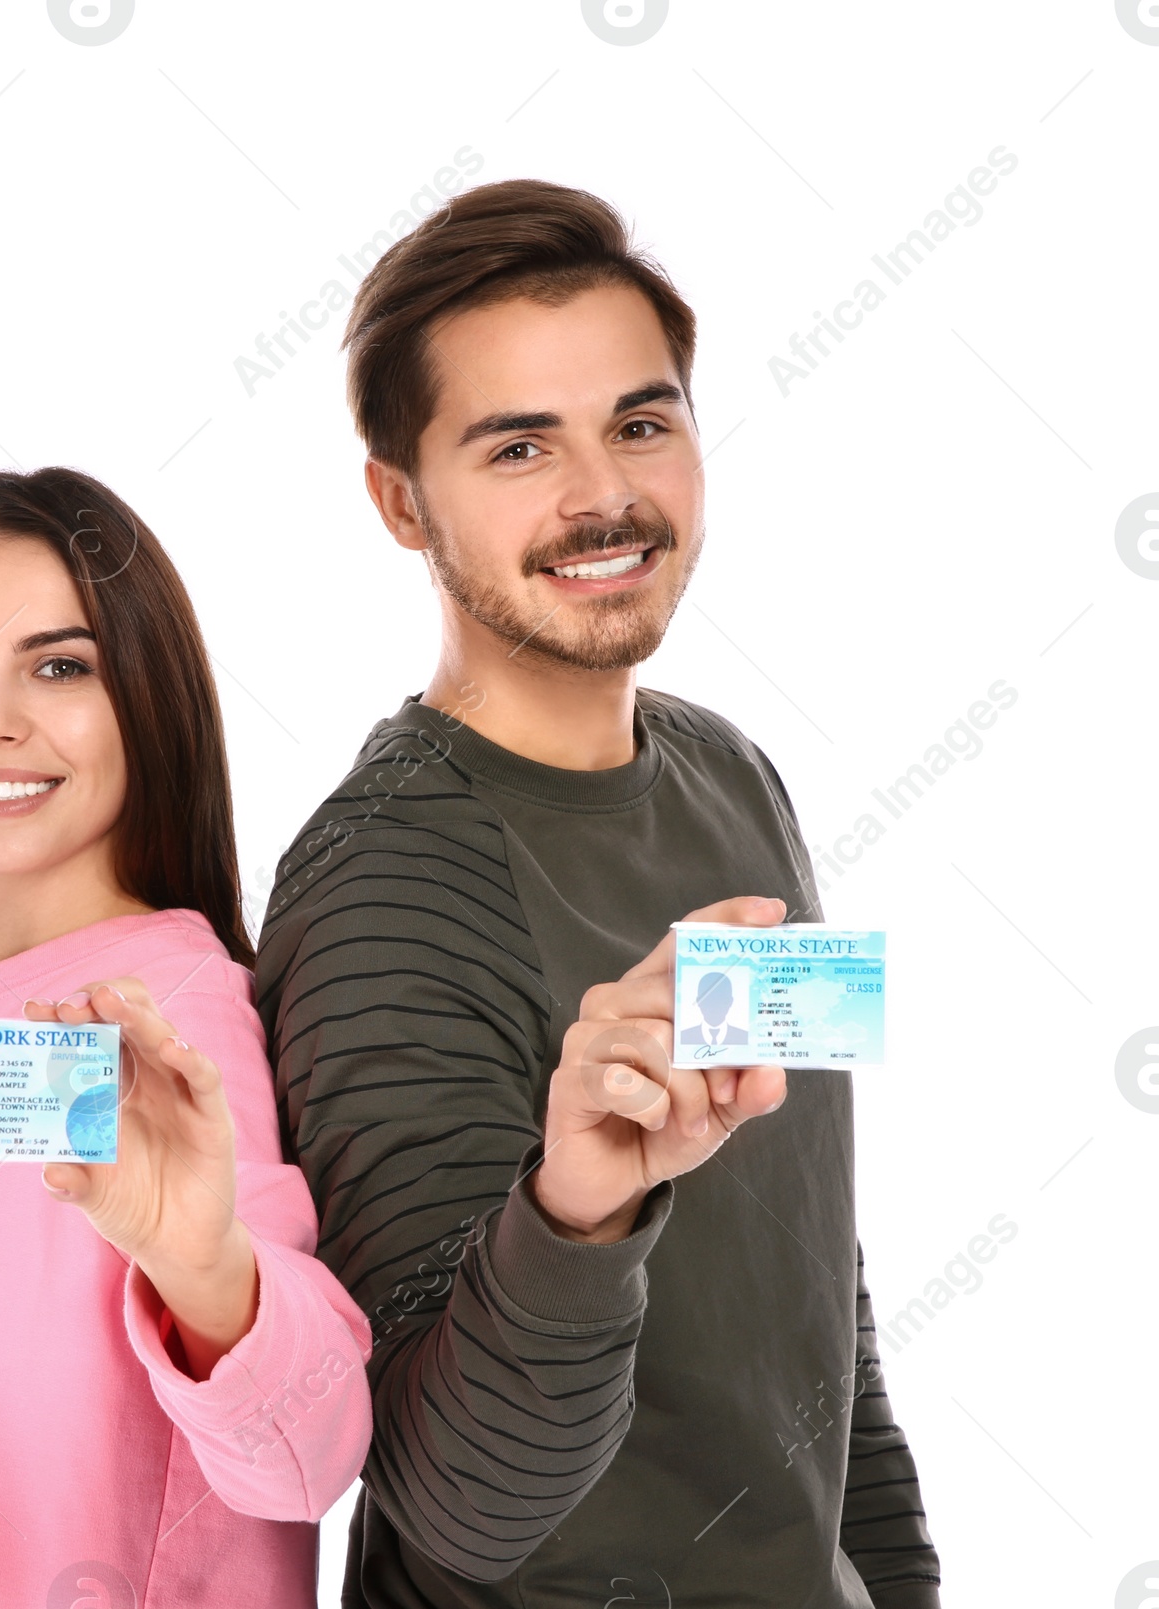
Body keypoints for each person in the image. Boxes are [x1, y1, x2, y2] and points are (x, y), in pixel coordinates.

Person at [256, 181, 940, 1608]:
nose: (603, 495)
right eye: (518, 446)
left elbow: (815, 1275)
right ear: (401, 503)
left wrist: (891, 1576)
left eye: (640, 421)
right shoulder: (383, 883)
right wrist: (575, 1214)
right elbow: (455, 1501)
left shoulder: (727, 773)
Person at [0, 467, 371, 1608]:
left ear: (146, 705)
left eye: (59, 666)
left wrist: (208, 1268)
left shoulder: (170, 1024)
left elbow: (307, 1458)